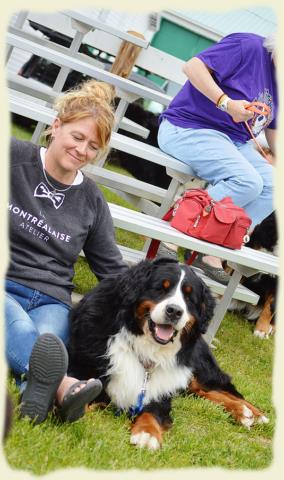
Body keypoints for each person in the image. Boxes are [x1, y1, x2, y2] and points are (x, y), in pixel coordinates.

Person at [5, 79, 129, 424]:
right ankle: (65, 388)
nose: (82, 150)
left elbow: (112, 271)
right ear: (56, 126)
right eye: (77, 137)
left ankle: (43, 386)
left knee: (48, 342)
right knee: (15, 325)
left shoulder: (91, 199)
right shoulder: (13, 157)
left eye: (93, 146)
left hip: (51, 299)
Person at [157, 32, 277, 284]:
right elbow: (192, 67)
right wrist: (226, 103)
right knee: (248, 181)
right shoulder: (248, 46)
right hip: (188, 126)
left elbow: (274, 129)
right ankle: (174, 230)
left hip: (233, 142)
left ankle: (212, 247)